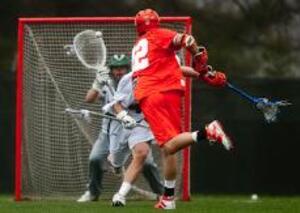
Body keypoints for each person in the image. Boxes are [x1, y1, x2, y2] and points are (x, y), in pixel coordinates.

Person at [117, 9, 233, 209]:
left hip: (152, 94)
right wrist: (201, 67)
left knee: (169, 145)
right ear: (156, 22)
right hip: (168, 90)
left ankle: (208, 132)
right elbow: (181, 54)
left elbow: (186, 40)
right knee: (169, 148)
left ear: (138, 27)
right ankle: (169, 199)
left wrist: (199, 63)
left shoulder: (142, 43)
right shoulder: (158, 39)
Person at [77, 54, 163, 202]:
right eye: (116, 68)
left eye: (122, 68)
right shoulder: (105, 82)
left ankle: (162, 193)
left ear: (127, 68)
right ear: (111, 70)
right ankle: (93, 193)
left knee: (147, 162)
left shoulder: (135, 81)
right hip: (109, 132)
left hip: (134, 129)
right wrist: (97, 84)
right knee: (95, 159)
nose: (119, 71)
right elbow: (89, 99)